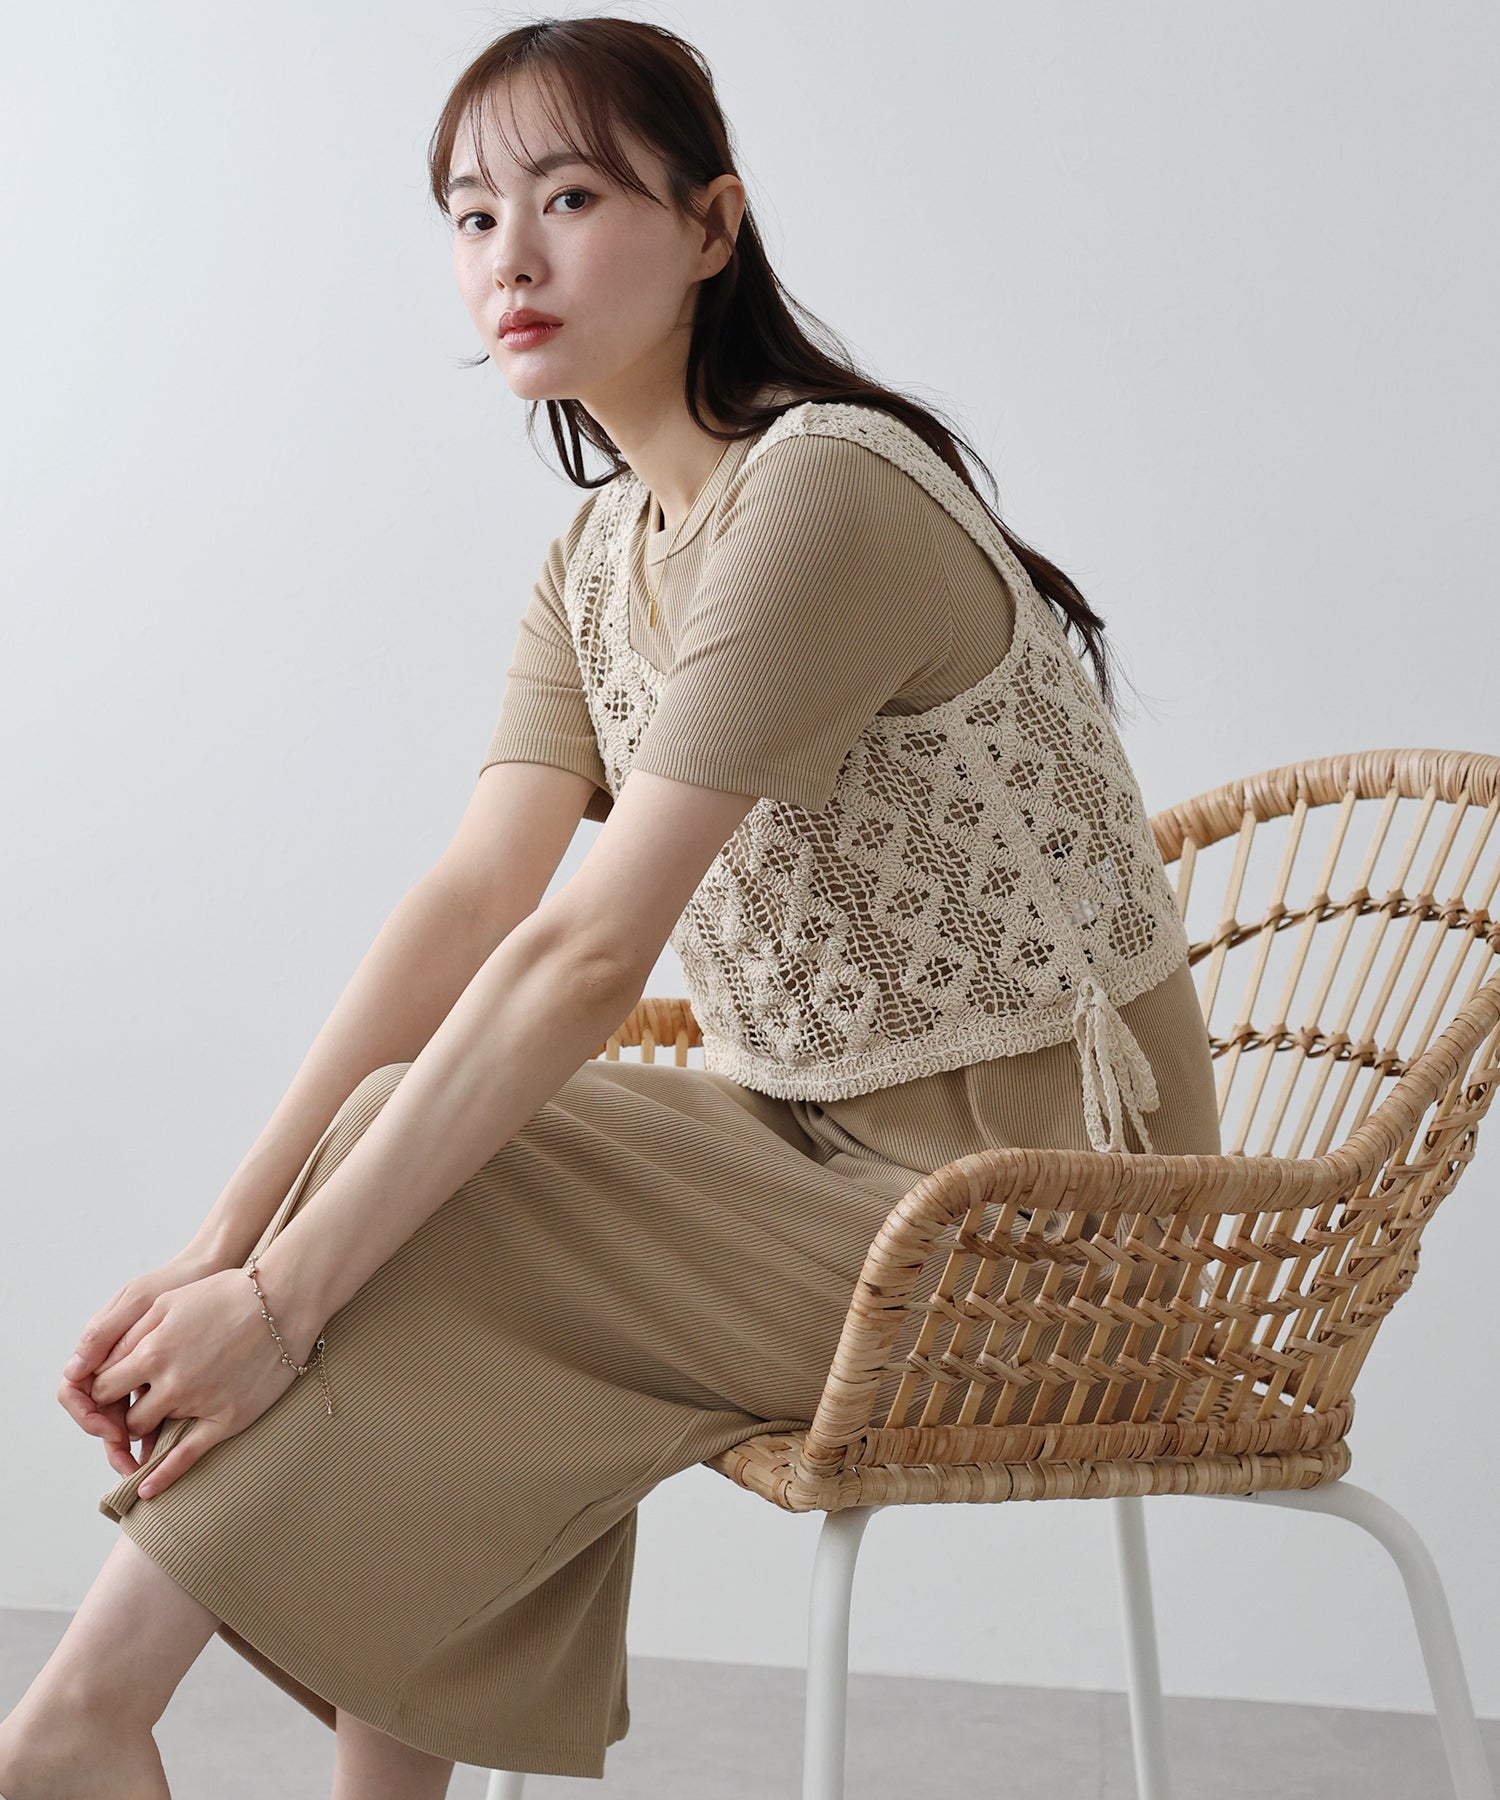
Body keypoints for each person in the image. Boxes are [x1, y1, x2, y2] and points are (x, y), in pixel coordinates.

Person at [0, 14, 1221, 1796]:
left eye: (569, 198)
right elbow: (471, 903)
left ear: (713, 225)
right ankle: (88, 1727)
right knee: (417, 1161)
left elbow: (584, 953)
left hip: (1046, 1235)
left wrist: (277, 1307)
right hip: (822, 1168)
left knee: (442, 1203)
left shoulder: (820, 496)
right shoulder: (598, 562)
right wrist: (222, 1251)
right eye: (472, 214)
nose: (511, 256)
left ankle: (78, 1725)